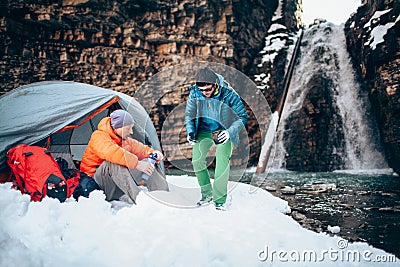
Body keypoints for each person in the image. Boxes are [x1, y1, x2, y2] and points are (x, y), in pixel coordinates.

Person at [185, 67, 248, 210]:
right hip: (203, 130)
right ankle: (206, 195)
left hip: (223, 130)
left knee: (221, 160)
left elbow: (242, 116)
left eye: (207, 89)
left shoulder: (229, 94)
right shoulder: (194, 92)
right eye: (201, 90)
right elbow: (189, 114)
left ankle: (219, 201)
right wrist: (190, 132)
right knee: (197, 160)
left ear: (215, 84)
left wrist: (229, 132)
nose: (205, 93)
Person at [80, 109, 169, 204]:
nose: (131, 132)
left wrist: (154, 153)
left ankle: (163, 196)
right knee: (113, 162)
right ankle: (141, 201)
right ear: (117, 127)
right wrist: (137, 164)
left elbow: (143, 150)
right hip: (97, 187)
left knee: (149, 161)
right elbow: (111, 152)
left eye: (132, 128)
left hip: (117, 186)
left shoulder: (125, 140)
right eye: (128, 128)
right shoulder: (98, 136)